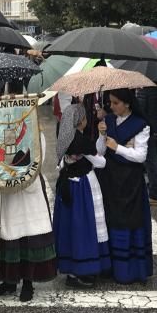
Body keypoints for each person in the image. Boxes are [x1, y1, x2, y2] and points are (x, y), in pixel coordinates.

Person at [0, 128, 57, 302]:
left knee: (28, 235)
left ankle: (28, 282)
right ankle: (9, 280)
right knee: (6, 233)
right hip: (4, 187)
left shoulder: (36, 131)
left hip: (27, 187)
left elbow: (36, 159)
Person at [95, 88, 153, 284]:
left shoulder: (141, 125)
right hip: (110, 177)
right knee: (111, 218)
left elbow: (140, 156)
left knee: (131, 220)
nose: (111, 107)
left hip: (131, 181)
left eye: (116, 103)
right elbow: (100, 151)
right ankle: (110, 266)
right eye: (110, 103)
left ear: (127, 103)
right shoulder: (109, 121)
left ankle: (131, 270)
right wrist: (101, 135)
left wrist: (117, 147)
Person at [52, 103, 110, 288]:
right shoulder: (81, 140)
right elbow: (100, 161)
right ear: (80, 121)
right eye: (84, 117)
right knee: (83, 227)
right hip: (83, 186)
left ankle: (70, 269)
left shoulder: (64, 138)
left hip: (67, 185)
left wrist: (101, 137)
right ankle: (83, 269)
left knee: (69, 227)